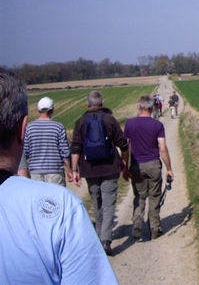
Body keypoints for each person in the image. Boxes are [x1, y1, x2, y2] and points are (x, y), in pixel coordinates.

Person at [0, 70, 118, 284]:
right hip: (53, 173)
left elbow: (27, 153)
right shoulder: (56, 127)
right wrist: (70, 170)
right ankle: (103, 236)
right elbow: (65, 150)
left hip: (33, 172)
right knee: (43, 220)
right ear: (21, 128)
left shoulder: (33, 129)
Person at [71, 90, 130, 256]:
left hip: (89, 169)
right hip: (110, 167)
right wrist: (124, 161)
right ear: (102, 102)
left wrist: (74, 170)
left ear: (87, 103)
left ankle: (99, 236)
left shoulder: (81, 121)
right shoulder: (109, 119)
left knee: (96, 202)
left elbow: (75, 147)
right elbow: (122, 143)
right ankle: (105, 240)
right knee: (109, 203)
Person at [124, 95, 174, 241]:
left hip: (136, 165)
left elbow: (125, 147)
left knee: (139, 196)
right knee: (154, 197)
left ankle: (137, 226)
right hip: (153, 165)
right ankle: (155, 228)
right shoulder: (157, 125)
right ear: (153, 108)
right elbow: (163, 149)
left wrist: (125, 166)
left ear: (139, 107)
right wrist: (169, 168)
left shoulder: (129, 124)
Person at [24, 97, 72, 186]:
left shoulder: (29, 128)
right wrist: (69, 170)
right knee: (55, 198)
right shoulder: (58, 127)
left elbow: (25, 152)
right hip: (55, 170)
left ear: (38, 110)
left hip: (35, 172)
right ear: (52, 110)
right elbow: (64, 151)